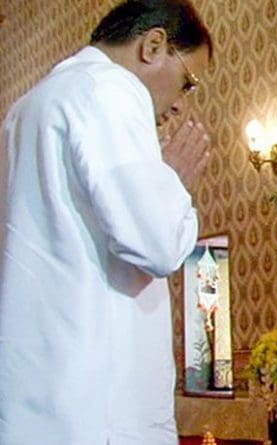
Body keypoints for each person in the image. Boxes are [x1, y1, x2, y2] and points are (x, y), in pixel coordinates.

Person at [0, 1, 212, 444]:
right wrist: (170, 182)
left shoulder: (25, 109)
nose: (178, 103)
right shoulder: (111, 91)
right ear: (153, 46)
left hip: (37, 402)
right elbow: (156, 244)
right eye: (188, 82)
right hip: (100, 410)